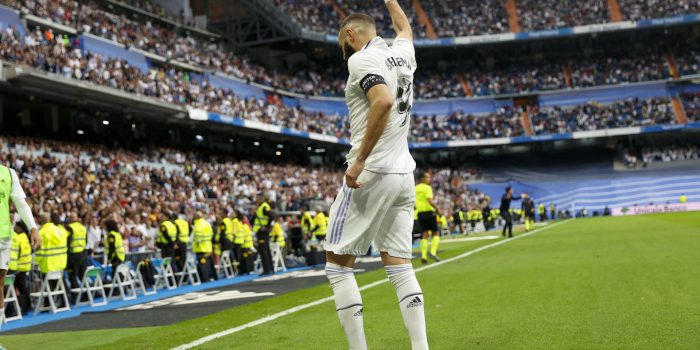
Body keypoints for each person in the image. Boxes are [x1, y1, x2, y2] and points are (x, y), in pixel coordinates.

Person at [324, 3, 428, 349]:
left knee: (338, 266)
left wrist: (359, 162)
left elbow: (382, 101)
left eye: (344, 41)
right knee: (399, 265)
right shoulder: (402, 52)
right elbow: (405, 29)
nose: (344, 49)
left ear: (352, 34)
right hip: (403, 174)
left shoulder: (361, 59)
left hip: (371, 173)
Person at [0, 164, 40, 327]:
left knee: (0, 283)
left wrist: (33, 228)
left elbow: (20, 203)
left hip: (3, 237)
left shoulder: (8, 173)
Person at [416, 172, 441, 264]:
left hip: (420, 214)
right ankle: (433, 252)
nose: (429, 179)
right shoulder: (427, 188)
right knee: (436, 233)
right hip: (429, 213)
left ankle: (423, 256)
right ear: (422, 178)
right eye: (427, 177)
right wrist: (438, 209)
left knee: (425, 235)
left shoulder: (415, 188)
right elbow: (430, 201)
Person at [7, 222, 31, 316]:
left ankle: (21, 308)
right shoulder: (24, 237)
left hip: (19, 266)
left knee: (18, 288)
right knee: (21, 288)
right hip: (22, 266)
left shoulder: (19, 237)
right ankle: (25, 307)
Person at [66, 213, 88, 293]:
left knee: (73, 276)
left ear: (71, 219)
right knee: (83, 276)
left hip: (74, 255)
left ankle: (76, 297)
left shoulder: (69, 228)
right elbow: (86, 241)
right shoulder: (83, 227)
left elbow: (67, 242)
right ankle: (87, 295)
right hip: (83, 254)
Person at [253, 198, 274, 275]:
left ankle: (267, 269)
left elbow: (271, 215)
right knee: (266, 250)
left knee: (263, 251)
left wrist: (266, 226)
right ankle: (270, 268)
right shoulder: (260, 207)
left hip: (262, 232)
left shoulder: (264, 206)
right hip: (261, 231)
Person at [192, 212, 215, 282]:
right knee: (208, 263)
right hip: (208, 246)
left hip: (200, 247)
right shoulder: (207, 223)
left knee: (203, 264)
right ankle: (211, 276)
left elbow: (197, 236)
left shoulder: (197, 224)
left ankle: (205, 278)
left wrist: (197, 242)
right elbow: (211, 234)